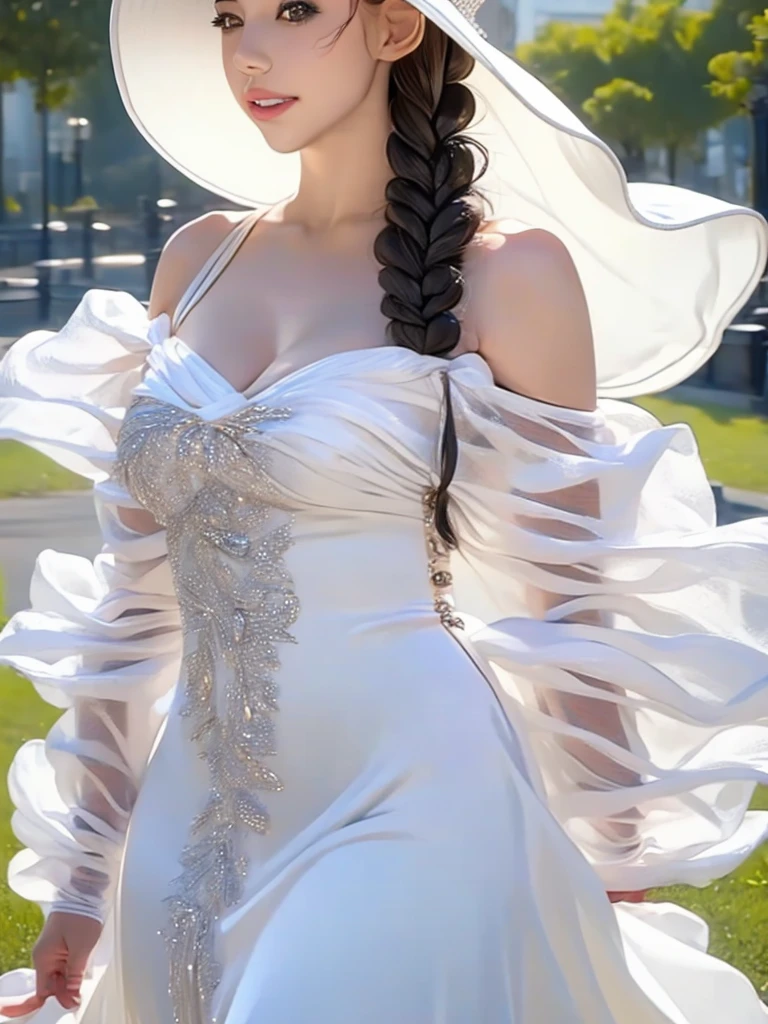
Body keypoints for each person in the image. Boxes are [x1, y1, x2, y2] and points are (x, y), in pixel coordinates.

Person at [1, 0, 768, 1019]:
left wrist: (612, 838)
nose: (250, 51)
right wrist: (82, 878)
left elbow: (570, 593)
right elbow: (134, 608)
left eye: (293, 9)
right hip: (190, 827)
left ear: (397, 28)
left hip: (414, 794)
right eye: (230, 18)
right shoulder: (200, 258)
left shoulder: (509, 273)